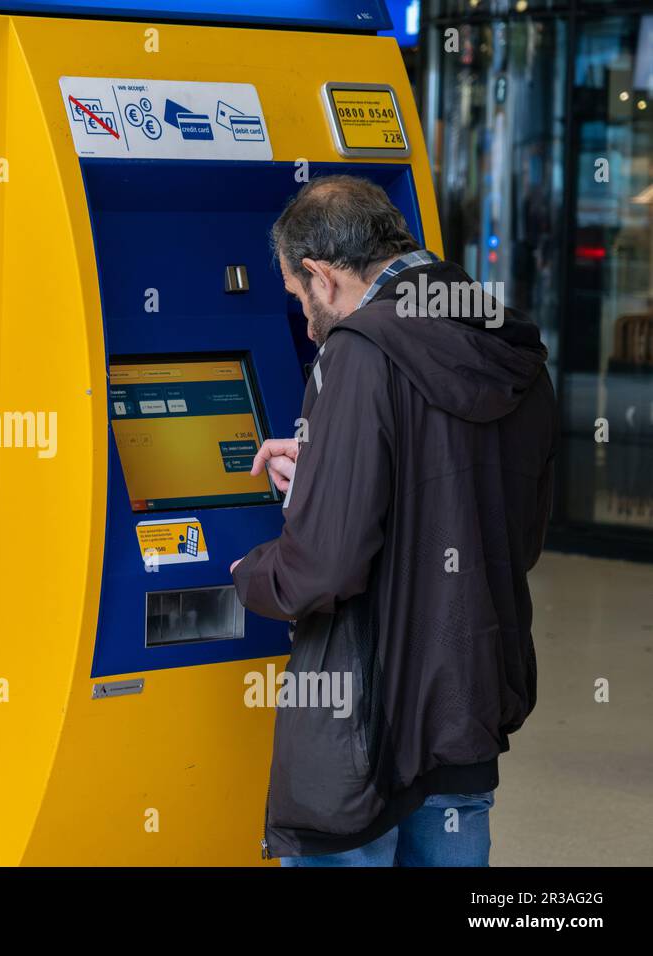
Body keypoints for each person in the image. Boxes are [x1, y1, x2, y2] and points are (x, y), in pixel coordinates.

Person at [230, 175, 557, 866]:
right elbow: (503, 527)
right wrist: (329, 463)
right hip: (463, 706)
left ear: (320, 273)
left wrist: (252, 574)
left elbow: (327, 565)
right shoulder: (503, 338)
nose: (308, 323)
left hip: (364, 725)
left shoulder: (357, 351)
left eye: (299, 299)